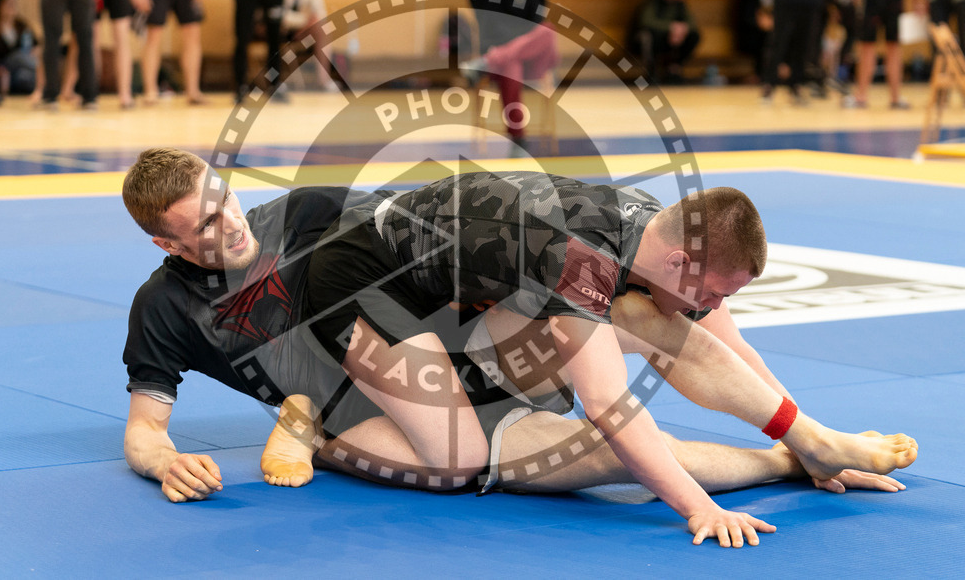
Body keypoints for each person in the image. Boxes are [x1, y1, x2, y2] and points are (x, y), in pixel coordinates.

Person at [121, 149, 908, 542]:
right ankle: (318, 428)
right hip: (362, 376)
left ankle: (800, 454)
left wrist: (805, 429)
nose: (230, 223)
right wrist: (164, 462)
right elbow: (144, 428)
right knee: (492, 456)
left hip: (447, 333)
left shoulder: (304, 212)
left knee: (648, 324)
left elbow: (709, 333)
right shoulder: (164, 307)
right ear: (166, 241)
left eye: (226, 201)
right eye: (205, 224)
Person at [462, 0, 558, 148]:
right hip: (502, 69)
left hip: (535, 63)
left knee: (548, 30)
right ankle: (518, 139)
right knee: (510, 64)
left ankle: (486, 62)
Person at [629, 0, 701, 84]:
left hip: (672, 39)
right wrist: (671, 27)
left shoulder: (680, 4)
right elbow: (646, 21)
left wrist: (681, 29)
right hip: (651, 39)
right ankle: (651, 71)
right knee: (648, 36)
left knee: (693, 36)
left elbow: (692, 23)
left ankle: (674, 69)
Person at [281, 0, 333, 91]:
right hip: (281, 29)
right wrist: (304, 21)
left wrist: (305, 26)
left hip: (302, 30)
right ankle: (276, 82)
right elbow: (281, 15)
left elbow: (319, 11)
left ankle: (323, 80)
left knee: (324, 29)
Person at [0, 0, 42, 101]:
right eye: (8, 4)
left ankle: (41, 77)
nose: (12, 7)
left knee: (24, 76)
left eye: (13, 4)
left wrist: (34, 52)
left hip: (18, 71)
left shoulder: (21, 25)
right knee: (17, 56)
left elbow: (36, 45)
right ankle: (44, 73)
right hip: (1, 69)